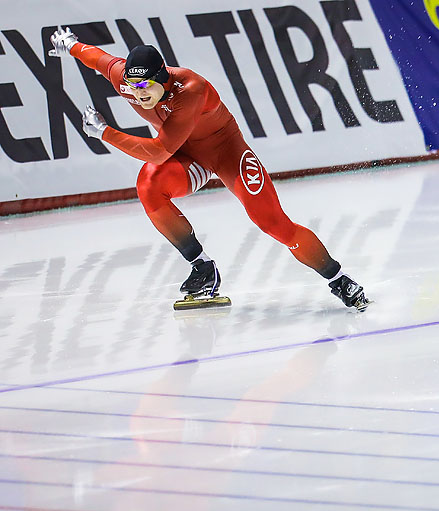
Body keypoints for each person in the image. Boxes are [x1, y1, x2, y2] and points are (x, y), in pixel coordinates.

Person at [48, 27, 369, 311]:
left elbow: (159, 151)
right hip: (188, 157)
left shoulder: (191, 89)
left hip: (226, 153)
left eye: (145, 84)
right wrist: (71, 44)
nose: (139, 92)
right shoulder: (128, 80)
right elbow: (98, 59)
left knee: (273, 223)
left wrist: (105, 133)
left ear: (162, 78)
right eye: (132, 85)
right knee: (148, 186)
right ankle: (202, 267)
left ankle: (339, 279)